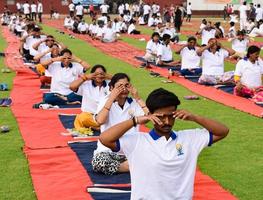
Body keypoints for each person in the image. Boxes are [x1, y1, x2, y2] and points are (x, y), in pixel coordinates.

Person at [99, 88, 229, 199]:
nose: (167, 121)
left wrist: (194, 117)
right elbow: (105, 139)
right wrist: (136, 120)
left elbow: (223, 131)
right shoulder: (137, 141)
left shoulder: (190, 138)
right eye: (161, 117)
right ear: (150, 115)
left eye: (171, 116)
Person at [92, 73, 148, 175]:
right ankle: (130, 166)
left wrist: (138, 98)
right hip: (108, 150)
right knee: (99, 161)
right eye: (119, 86)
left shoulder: (133, 103)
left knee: (153, 154)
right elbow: (100, 120)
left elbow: (149, 117)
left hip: (130, 149)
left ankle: (125, 166)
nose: (124, 89)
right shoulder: (105, 101)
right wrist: (111, 98)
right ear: (111, 88)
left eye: (126, 86)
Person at [70, 65, 111, 131]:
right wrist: (85, 77)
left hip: (105, 116)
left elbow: (123, 83)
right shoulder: (86, 84)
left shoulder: (110, 84)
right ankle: (100, 127)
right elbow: (72, 87)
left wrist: (110, 77)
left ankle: (98, 127)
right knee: (81, 118)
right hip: (90, 116)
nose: (99, 76)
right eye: (96, 74)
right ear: (91, 75)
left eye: (102, 74)